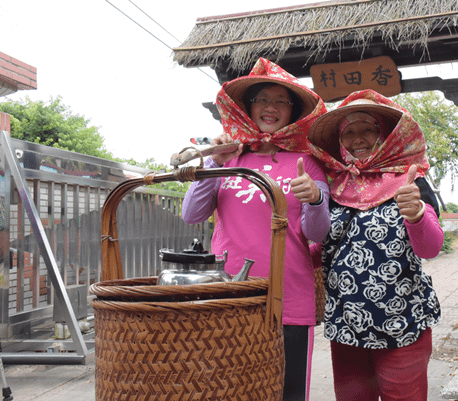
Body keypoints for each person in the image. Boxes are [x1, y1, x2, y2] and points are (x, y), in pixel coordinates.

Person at [181, 58, 330, 401]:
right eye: (263, 99)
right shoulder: (228, 158)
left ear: (293, 111)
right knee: (227, 390)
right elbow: (191, 213)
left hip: (290, 294)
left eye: (282, 101)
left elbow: (318, 234)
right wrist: (212, 162)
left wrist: (316, 198)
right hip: (228, 293)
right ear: (248, 107)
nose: (271, 108)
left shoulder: (306, 161)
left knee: (288, 392)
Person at [307, 89, 444, 401]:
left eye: (368, 129)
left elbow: (431, 248)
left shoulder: (411, 181)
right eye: (350, 132)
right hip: (346, 326)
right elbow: (325, 249)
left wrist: (417, 214)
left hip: (403, 325)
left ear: (384, 135)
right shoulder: (332, 184)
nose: (359, 139)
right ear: (340, 142)